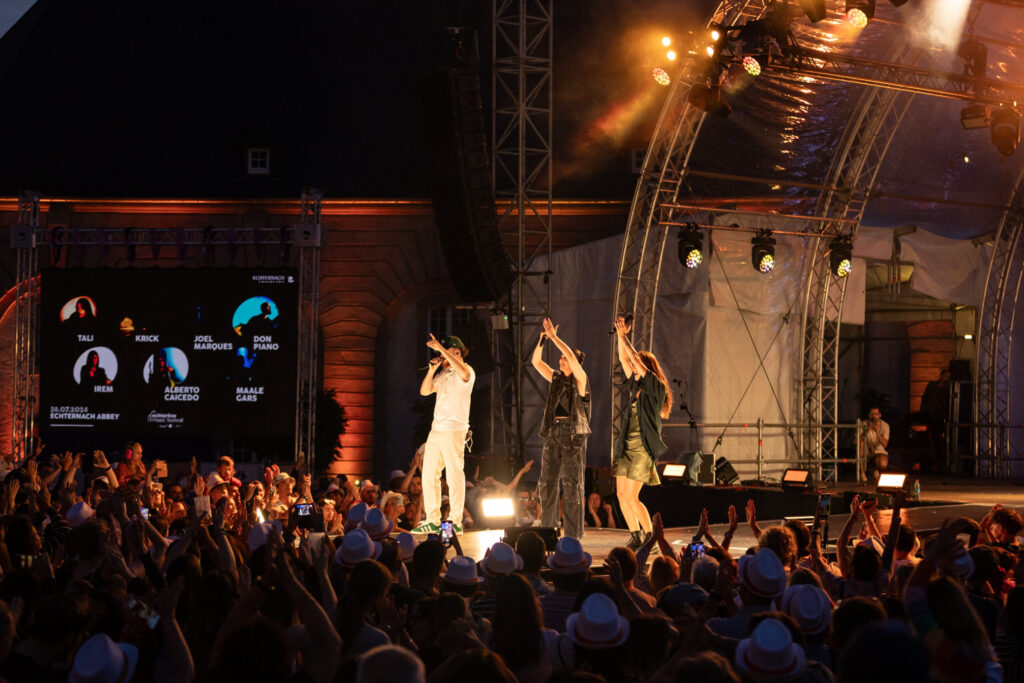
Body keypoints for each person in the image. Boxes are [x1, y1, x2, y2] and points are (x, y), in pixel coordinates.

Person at [612, 315, 671, 550]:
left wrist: (625, 338)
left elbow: (634, 359)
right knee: (621, 495)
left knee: (632, 496)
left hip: (643, 448)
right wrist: (619, 336)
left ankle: (651, 537)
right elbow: (623, 359)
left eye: (637, 367)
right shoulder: (636, 385)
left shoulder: (655, 387)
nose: (632, 367)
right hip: (627, 445)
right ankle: (636, 535)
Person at [531, 317, 591, 539]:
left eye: (565, 358)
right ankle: (548, 531)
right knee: (547, 483)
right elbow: (536, 362)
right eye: (561, 358)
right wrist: (543, 340)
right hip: (554, 432)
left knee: (572, 484)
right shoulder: (556, 378)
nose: (561, 360)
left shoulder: (581, 380)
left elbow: (573, 360)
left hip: (573, 435)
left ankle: (573, 536)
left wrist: (555, 338)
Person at [414, 334, 475, 534]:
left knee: (454, 474)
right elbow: (424, 391)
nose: (450, 355)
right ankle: (432, 519)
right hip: (437, 430)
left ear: (460, 354)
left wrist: (441, 348)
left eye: (455, 352)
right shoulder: (443, 375)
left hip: (455, 429)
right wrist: (432, 369)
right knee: (429, 474)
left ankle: (455, 520)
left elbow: (464, 373)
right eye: (449, 352)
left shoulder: (466, 372)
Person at [921, 368, 952, 473]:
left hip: (940, 416)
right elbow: (925, 398)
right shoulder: (932, 386)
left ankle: (938, 461)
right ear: (941, 375)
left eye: (948, 377)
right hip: (930, 414)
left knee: (938, 438)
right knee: (932, 437)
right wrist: (924, 410)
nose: (946, 379)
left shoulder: (948, 390)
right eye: (945, 376)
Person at [861, 407, 889, 481]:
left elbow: (885, 444)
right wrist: (868, 430)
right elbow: (855, 441)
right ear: (869, 415)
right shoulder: (863, 424)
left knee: (882, 462)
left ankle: (874, 470)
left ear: (879, 415)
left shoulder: (885, 426)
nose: (874, 416)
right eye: (872, 414)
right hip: (866, 449)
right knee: (860, 445)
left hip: (878, 450)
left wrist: (877, 432)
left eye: (876, 414)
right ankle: (862, 473)